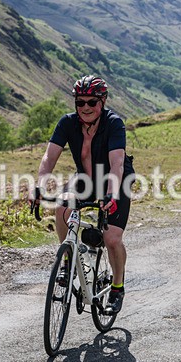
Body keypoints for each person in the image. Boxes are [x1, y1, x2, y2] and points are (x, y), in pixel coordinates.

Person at [31, 75, 135, 314]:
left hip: (116, 180)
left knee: (112, 239)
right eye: (80, 102)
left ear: (103, 101)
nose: (85, 107)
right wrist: (39, 186)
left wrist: (111, 194)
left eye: (91, 102)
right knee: (61, 206)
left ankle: (117, 288)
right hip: (85, 179)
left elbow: (117, 163)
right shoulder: (67, 123)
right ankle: (67, 260)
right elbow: (49, 157)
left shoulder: (114, 123)